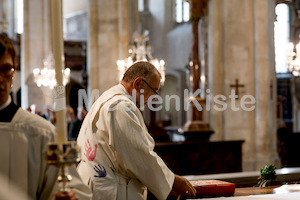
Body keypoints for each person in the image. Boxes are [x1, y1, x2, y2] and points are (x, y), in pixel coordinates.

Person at [76, 61, 196, 200]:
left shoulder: (104, 100)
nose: (154, 97)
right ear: (138, 84)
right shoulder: (121, 106)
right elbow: (139, 154)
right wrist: (172, 181)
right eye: (154, 90)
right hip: (110, 190)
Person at [0, 33, 92, 199]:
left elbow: (73, 189)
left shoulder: (41, 133)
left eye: (5, 69)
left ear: (14, 71)